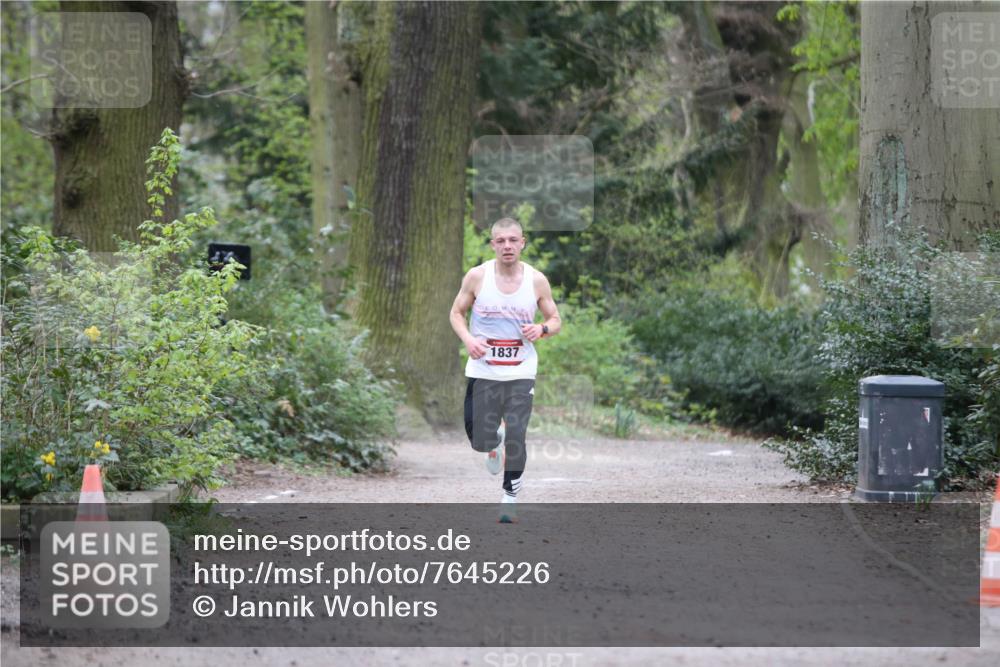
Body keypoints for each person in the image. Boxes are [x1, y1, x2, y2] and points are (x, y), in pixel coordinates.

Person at [449, 217, 561, 523]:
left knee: (517, 432)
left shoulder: (536, 280)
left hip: (521, 370)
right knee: (478, 439)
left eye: (513, 240)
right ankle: (492, 443)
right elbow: (457, 313)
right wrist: (469, 339)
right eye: (501, 241)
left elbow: (555, 319)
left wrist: (542, 328)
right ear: (493, 245)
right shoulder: (476, 276)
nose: (507, 246)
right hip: (483, 369)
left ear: (523, 242)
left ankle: (509, 496)